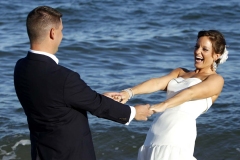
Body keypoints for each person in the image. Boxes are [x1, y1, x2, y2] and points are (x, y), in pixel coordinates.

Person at [13, 6, 153, 160]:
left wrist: (92, 96)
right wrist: (133, 112)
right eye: (61, 30)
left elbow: (52, 98)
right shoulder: (64, 77)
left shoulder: (21, 67)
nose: (62, 35)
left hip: (42, 152)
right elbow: (97, 107)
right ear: (52, 33)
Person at [116, 30, 228, 160]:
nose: (198, 51)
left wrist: (164, 105)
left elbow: (190, 93)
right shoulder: (180, 72)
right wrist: (128, 92)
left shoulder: (216, 80)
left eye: (205, 49)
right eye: (197, 46)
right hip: (156, 131)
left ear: (216, 56)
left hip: (178, 132)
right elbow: (156, 82)